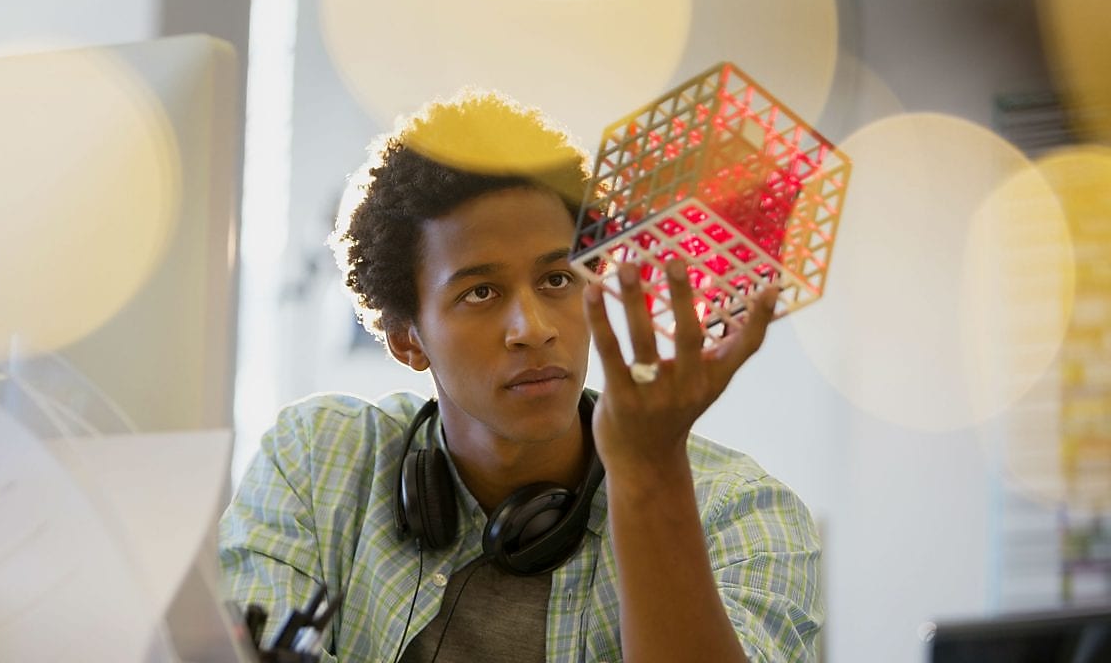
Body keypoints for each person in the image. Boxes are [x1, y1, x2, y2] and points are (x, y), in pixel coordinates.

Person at [219, 90, 824, 662]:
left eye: (558, 279)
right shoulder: (318, 464)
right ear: (408, 339)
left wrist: (649, 472)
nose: (532, 328)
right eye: (480, 291)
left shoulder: (742, 512)